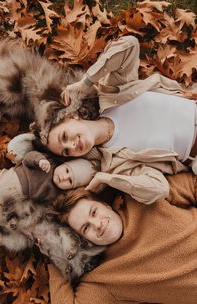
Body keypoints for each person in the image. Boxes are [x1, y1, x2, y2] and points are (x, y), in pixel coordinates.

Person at [33, 35, 197, 205]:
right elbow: (158, 188)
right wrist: (107, 178)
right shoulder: (116, 162)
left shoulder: (112, 95)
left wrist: (86, 82)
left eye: (65, 137)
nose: (72, 146)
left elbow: (129, 45)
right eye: (66, 152)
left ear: (71, 116)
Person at [48, 172, 197, 304]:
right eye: (86, 228)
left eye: (94, 212)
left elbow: (192, 184)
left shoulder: (141, 195)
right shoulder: (106, 278)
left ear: (105, 205)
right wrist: (56, 256)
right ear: (83, 241)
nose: (97, 224)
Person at [0, 150, 97, 227]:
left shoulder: (56, 195)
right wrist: (39, 159)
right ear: (65, 163)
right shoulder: (48, 163)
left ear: (71, 188)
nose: (64, 177)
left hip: (0, 204)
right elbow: (27, 157)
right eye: (67, 170)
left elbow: (42, 210)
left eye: (70, 180)